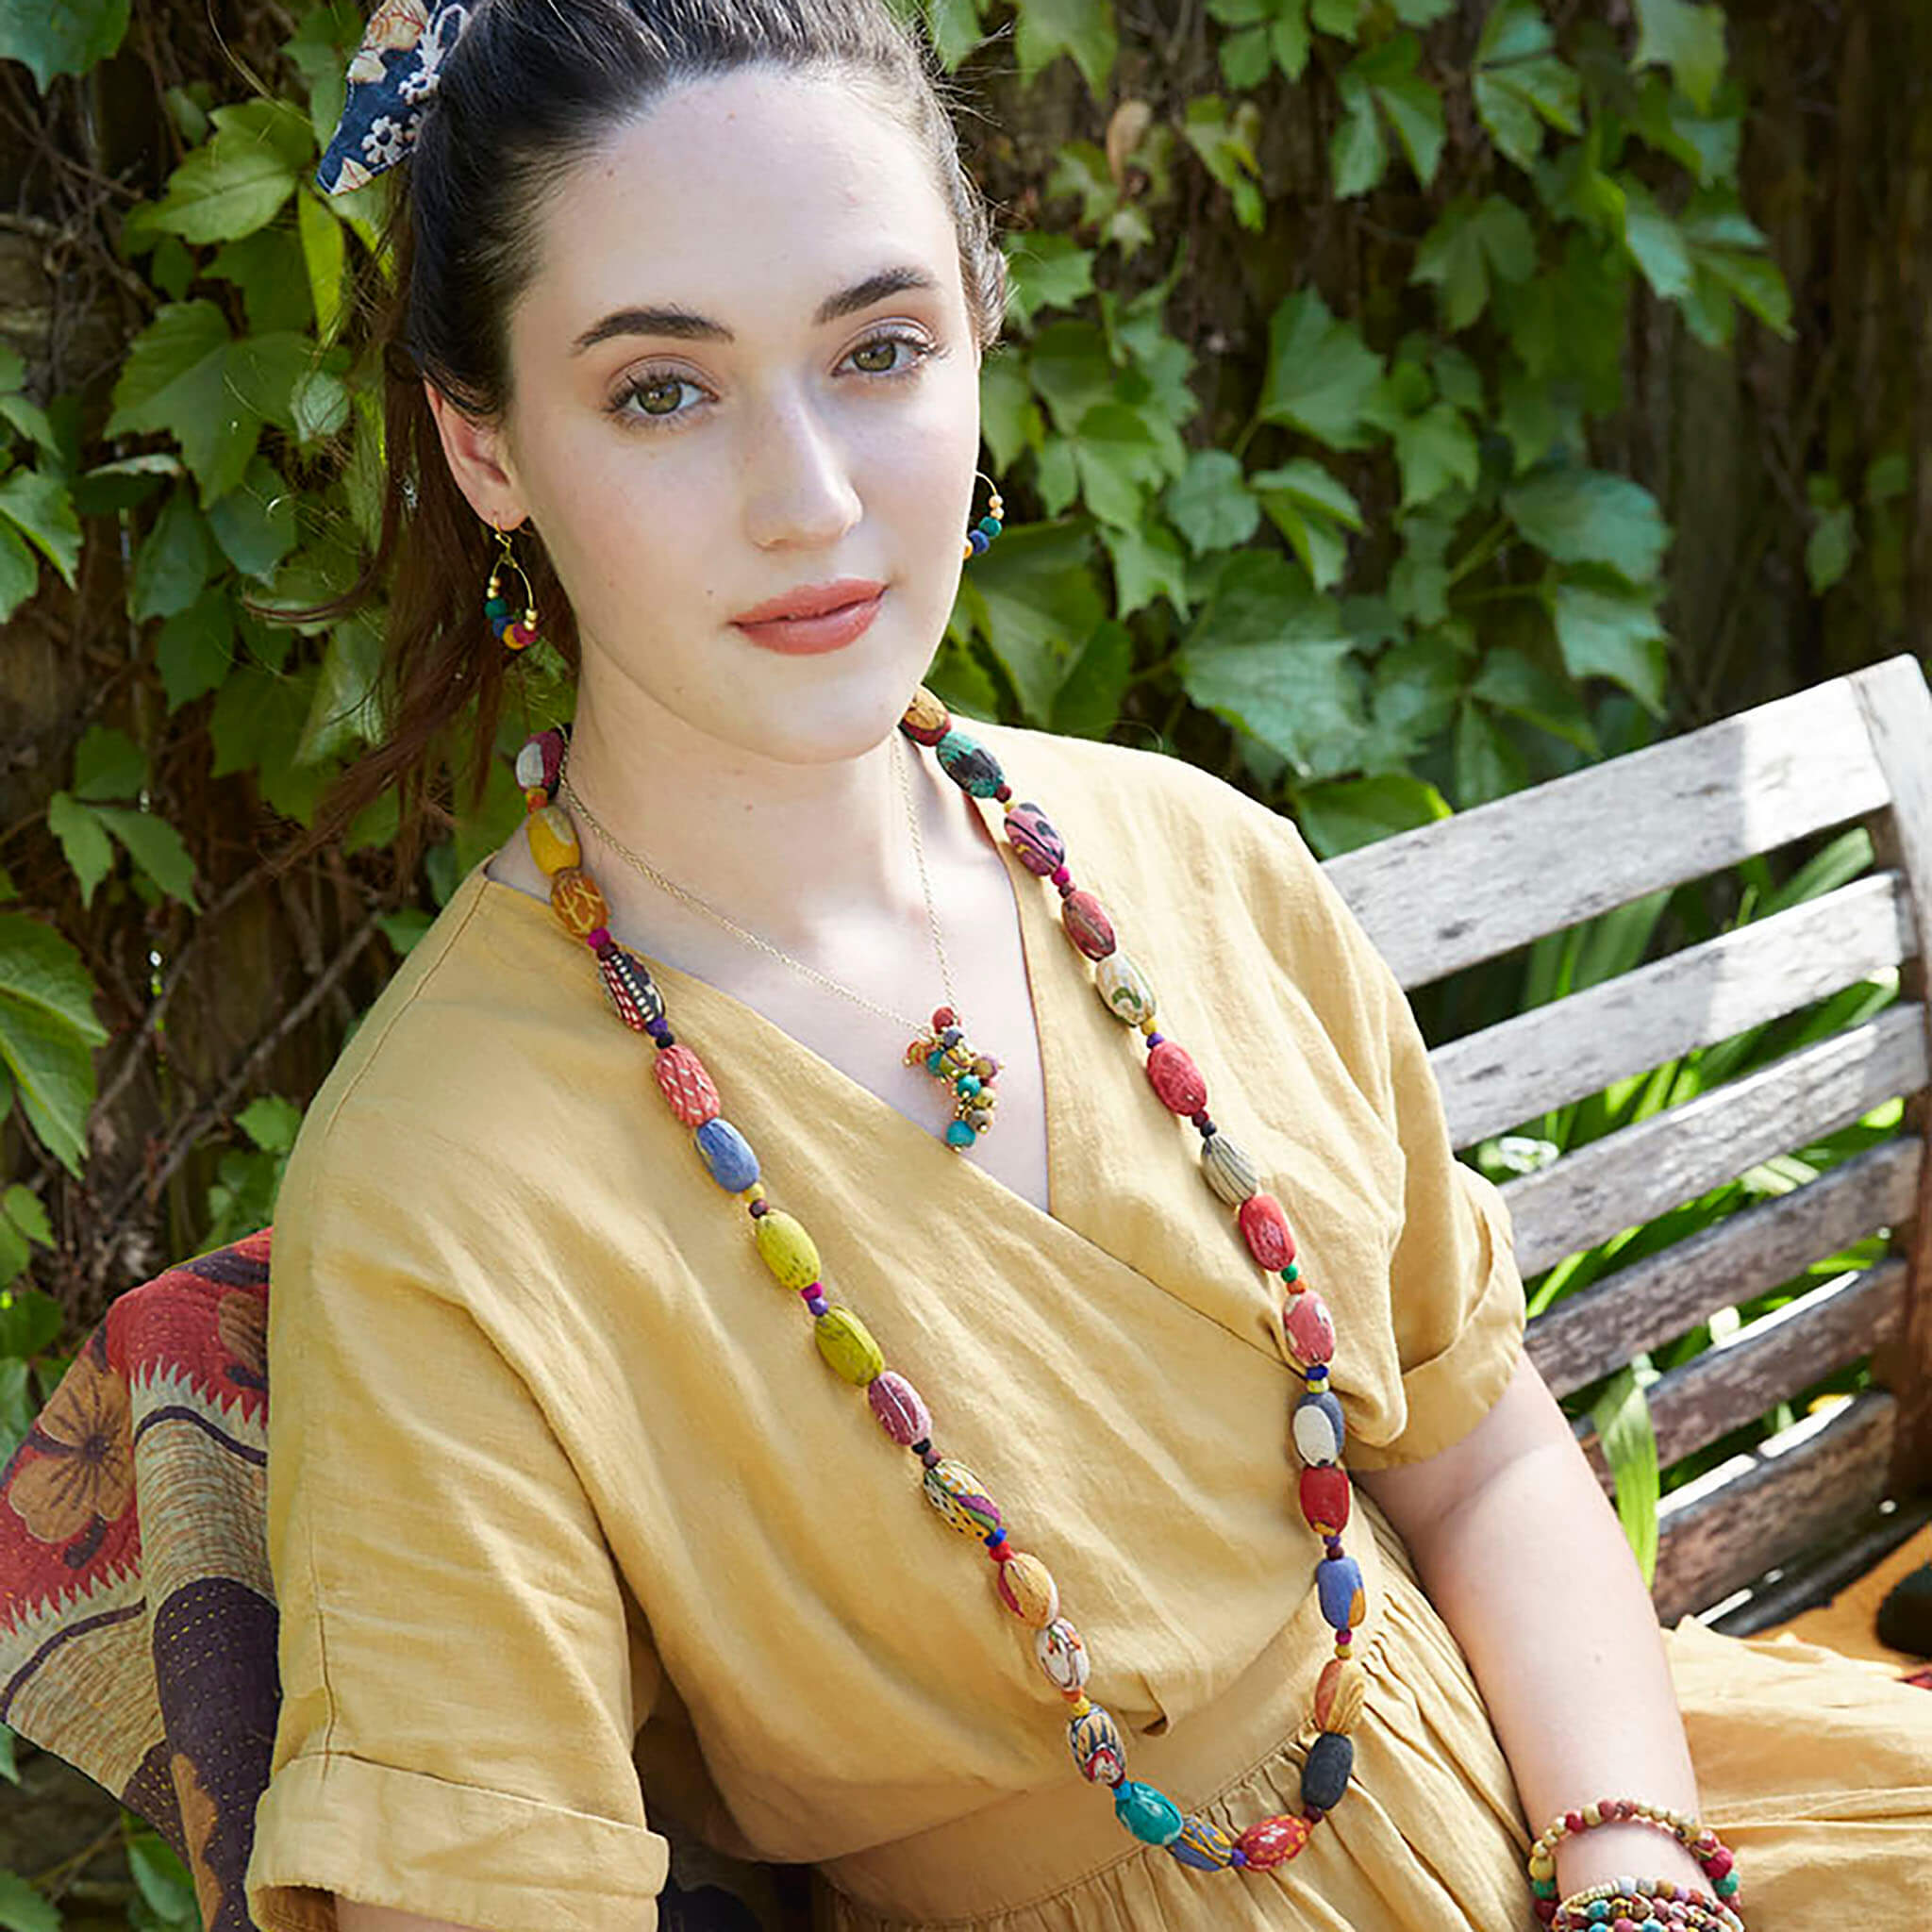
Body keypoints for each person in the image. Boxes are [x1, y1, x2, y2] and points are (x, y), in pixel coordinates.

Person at [239, 2, 1932, 1928]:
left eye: (877, 351)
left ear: (979, 331)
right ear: (484, 447)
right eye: (661, 392)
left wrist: (1633, 1874)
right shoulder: (444, 1190)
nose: (810, 498)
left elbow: (1479, 1465)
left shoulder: (1190, 858)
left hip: (1577, 1818)